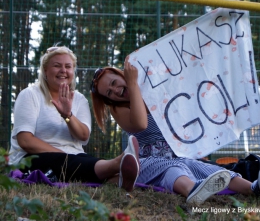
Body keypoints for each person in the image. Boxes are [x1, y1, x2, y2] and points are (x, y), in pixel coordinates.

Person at [90, 56, 260, 204]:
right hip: (146, 161)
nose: (115, 91)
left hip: (176, 155)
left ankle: (252, 188)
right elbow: (140, 124)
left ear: (121, 74)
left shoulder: (150, 88)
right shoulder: (117, 109)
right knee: (173, 169)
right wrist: (132, 84)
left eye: (114, 83)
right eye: (109, 93)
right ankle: (192, 190)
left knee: (211, 170)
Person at [9, 46, 139, 192]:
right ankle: (118, 163)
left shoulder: (79, 99)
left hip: (75, 157)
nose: (63, 70)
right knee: (75, 162)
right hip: (32, 158)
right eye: (57, 66)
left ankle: (117, 178)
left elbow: (83, 136)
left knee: (84, 161)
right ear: (45, 71)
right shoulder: (30, 94)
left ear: (73, 71)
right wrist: (62, 154)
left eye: (68, 66)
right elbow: (25, 141)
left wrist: (67, 116)